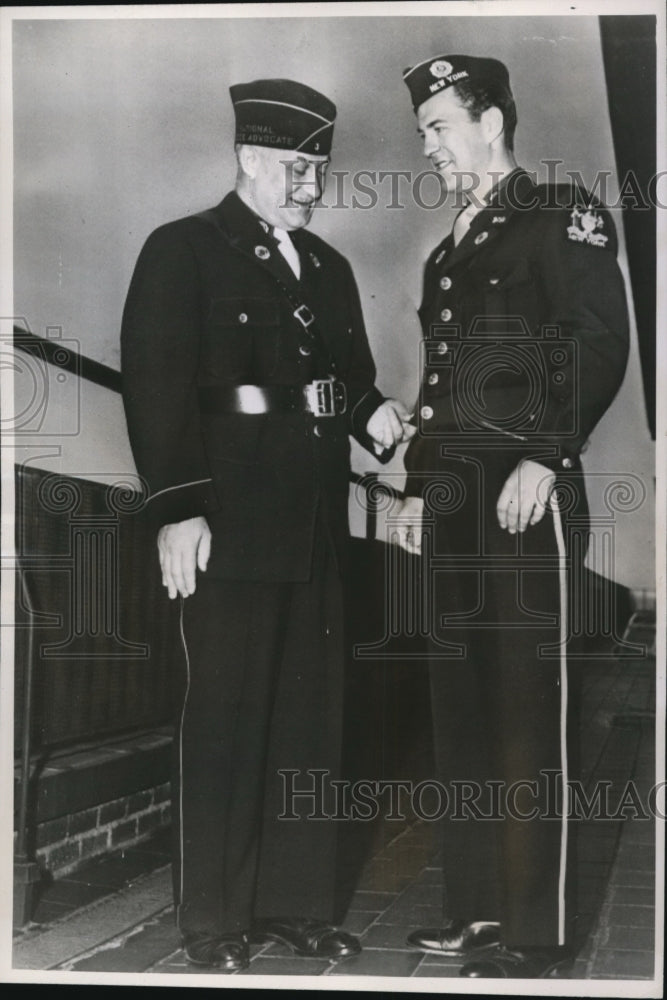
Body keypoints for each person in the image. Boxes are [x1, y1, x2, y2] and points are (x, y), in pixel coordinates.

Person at [121, 77, 412, 972]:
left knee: (309, 721)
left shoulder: (327, 268)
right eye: (293, 167)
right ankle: (213, 923)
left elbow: (346, 378)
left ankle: (296, 906)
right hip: (230, 523)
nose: (309, 186)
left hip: (316, 525)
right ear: (247, 157)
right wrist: (178, 508)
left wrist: (373, 413)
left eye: (318, 169)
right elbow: (156, 386)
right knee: (227, 721)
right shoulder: (184, 250)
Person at [394, 54, 629, 978]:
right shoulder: (448, 248)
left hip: (524, 491)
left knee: (527, 713)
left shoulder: (559, 214)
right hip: (456, 496)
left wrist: (546, 451)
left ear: (490, 122)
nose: (427, 146)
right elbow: (440, 386)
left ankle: (535, 932)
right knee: (461, 708)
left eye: (439, 127)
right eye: (421, 132)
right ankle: (477, 909)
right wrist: (418, 485)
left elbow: (594, 340)